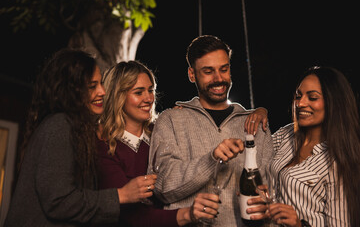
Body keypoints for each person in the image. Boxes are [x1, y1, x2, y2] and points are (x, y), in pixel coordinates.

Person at [147, 35, 274, 226]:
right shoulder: (171, 120)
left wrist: (266, 198)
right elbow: (162, 186)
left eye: (224, 69)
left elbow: (272, 189)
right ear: (192, 74)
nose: (219, 79)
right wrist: (210, 159)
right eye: (208, 71)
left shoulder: (255, 124)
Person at [4, 48, 124, 226]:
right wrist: (121, 195)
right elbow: (58, 202)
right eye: (92, 86)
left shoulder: (77, 129)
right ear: (70, 90)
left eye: (101, 83)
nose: (102, 92)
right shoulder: (60, 126)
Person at [96, 60, 220, 226]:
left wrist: (256, 114)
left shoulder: (164, 130)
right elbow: (129, 215)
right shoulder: (104, 143)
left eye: (151, 90)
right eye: (139, 92)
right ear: (118, 96)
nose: (149, 98)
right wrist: (186, 214)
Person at [246, 66, 360, 226]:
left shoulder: (339, 161)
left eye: (312, 97)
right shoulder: (286, 135)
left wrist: (299, 224)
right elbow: (255, 158)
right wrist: (259, 111)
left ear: (334, 103)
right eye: (298, 96)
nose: (300, 103)